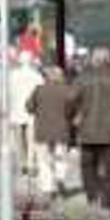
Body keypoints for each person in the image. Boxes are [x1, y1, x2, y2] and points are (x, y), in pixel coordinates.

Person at [73, 47, 110, 210]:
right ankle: (107, 201)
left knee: (87, 166)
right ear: (109, 60)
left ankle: (92, 198)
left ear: (93, 60)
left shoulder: (82, 79)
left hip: (87, 130)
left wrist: (73, 116)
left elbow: (70, 100)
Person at [27, 65, 77, 197]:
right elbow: (72, 109)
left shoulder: (39, 90)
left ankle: (47, 188)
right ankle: (60, 178)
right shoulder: (67, 91)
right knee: (61, 157)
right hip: (61, 129)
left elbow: (29, 107)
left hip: (42, 129)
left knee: (44, 160)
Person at [8, 51, 44, 172]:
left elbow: (9, 93)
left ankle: (21, 163)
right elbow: (40, 94)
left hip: (16, 109)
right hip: (32, 111)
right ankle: (30, 162)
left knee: (18, 140)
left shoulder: (13, 75)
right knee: (31, 139)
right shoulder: (37, 76)